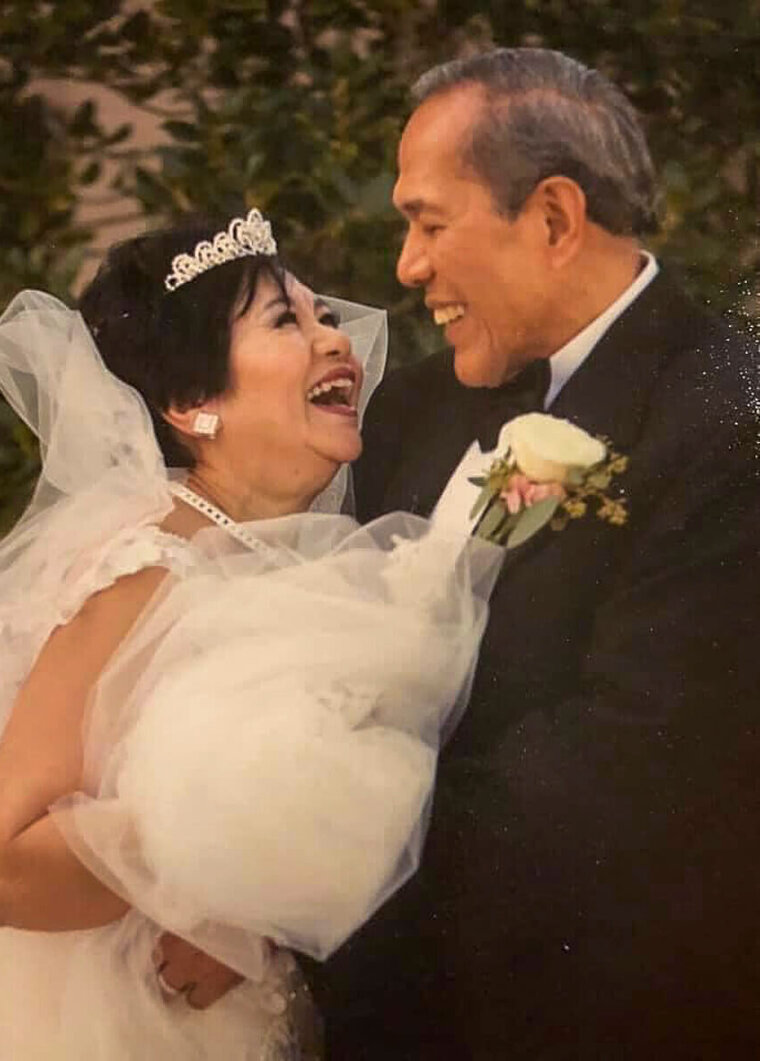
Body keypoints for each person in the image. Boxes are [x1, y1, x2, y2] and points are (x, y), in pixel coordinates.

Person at [0, 210, 498, 1059]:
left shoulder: (290, 557)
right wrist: (209, 891)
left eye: (324, 314)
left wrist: (257, 907)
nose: (335, 339)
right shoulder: (145, 565)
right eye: (286, 321)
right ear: (193, 402)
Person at [315, 47, 760, 1058]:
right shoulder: (407, 413)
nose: (407, 266)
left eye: (429, 223)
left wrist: (297, 878)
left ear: (554, 219)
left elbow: (629, 763)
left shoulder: (730, 425)